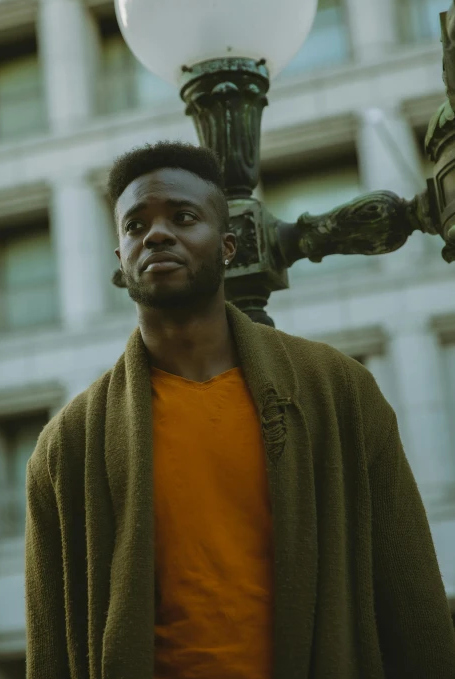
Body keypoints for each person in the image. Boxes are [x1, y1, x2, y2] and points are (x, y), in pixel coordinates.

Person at [25, 140, 455, 679]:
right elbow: (50, 647)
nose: (156, 234)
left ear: (228, 246)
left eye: (183, 217)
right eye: (135, 226)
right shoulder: (68, 444)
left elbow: (412, 596)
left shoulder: (337, 390)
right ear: (120, 261)